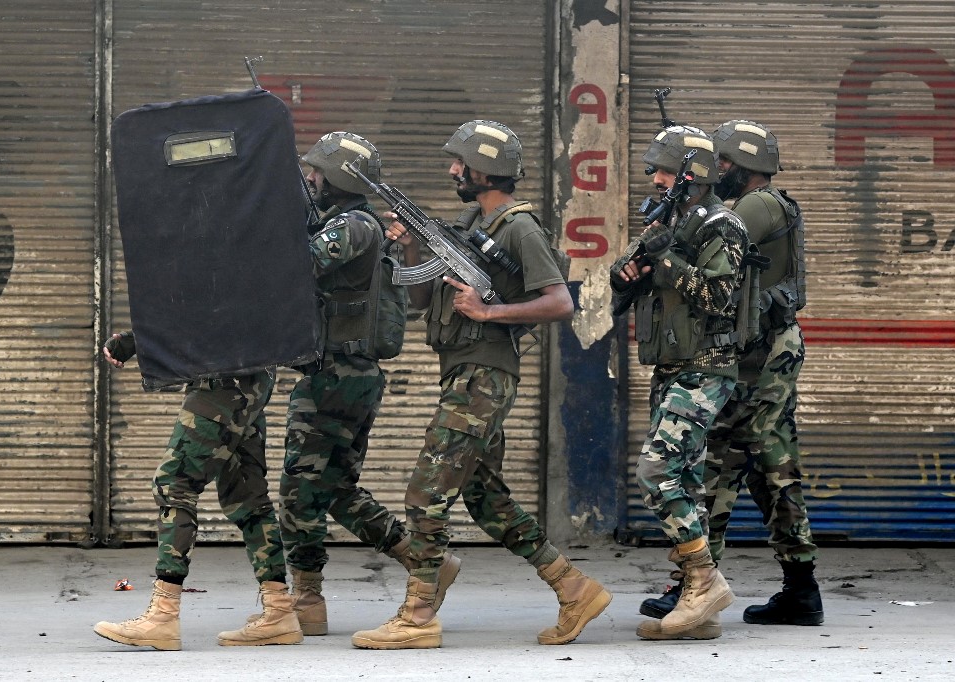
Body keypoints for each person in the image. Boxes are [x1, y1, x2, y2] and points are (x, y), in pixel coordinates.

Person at [351, 120, 610, 650]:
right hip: (465, 374)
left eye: (460, 163)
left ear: (486, 170)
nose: (452, 171)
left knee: (426, 493)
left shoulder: (520, 229)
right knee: (486, 498)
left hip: (483, 378)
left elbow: (560, 302)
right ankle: (574, 588)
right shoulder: (471, 223)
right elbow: (422, 300)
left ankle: (418, 616)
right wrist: (411, 250)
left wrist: (490, 312)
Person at [274, 131, 459, 636]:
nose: (311, 178)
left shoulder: (353, 225)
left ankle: (306, 599)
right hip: (346, 374)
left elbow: (299, 265)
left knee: (299, 487)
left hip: (338, 374)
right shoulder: (348, 223)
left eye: (317, 171)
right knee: (333, 487)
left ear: (338, 176)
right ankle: (422, 560)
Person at [638, 120, 822, 627]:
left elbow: (706, 245)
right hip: (756, 353)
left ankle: (703, 582)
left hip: (762, 358)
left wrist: (675, 222)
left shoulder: (753, 207)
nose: (714, 171)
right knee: (756, 464)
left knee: (741, 460)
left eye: (721, 163)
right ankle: (789, 586)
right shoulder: (761, 205)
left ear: (745, 166)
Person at [609, 124, 749, 641]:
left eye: (666, 171)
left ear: (696, 175)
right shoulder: (667, 219)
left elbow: (718, 297)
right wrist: (628, 271)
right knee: (685, 479)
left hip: (706, 367)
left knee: (657, 470)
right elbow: (623, 272)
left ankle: (704, 581)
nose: (657, 180)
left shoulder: (722, 225)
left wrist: (666, 257)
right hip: (671, 367)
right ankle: (700, 609)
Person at [93, 333, 301, 650]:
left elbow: (197, 309)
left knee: (174, 484)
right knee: (248, 496)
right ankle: (279, 612)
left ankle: (163, 617)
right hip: (252, 376)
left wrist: (138, 339)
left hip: (222, 377)